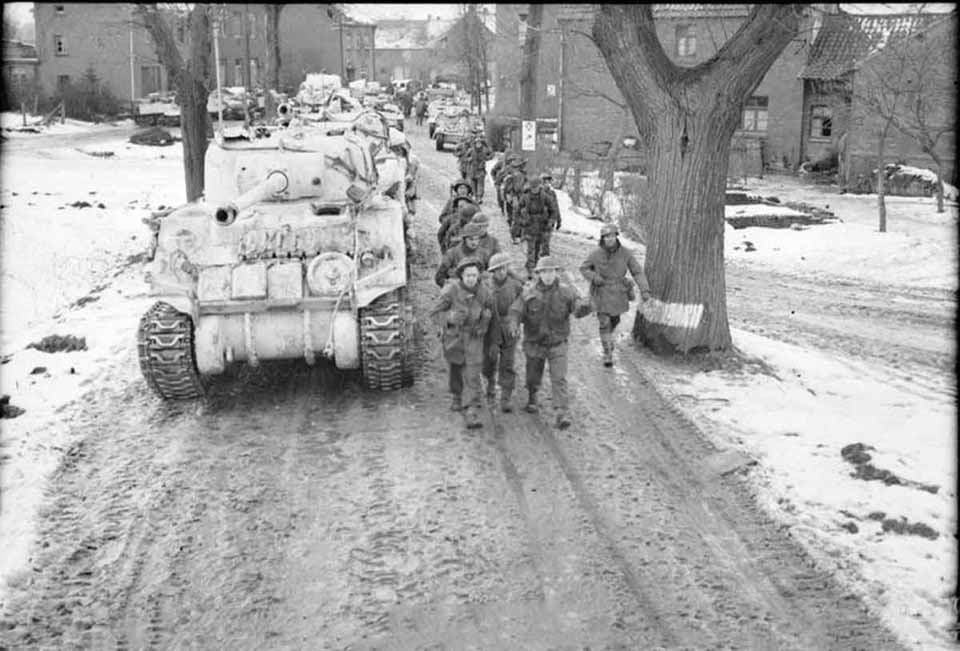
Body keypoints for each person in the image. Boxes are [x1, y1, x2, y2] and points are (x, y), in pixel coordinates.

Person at [507, 256, 592, 429]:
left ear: (556, 272)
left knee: (559, 378)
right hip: (535, 343)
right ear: (538, 274)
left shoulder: (566, 292)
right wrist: (514, 323)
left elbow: (577, 310)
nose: (548, 275)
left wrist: (587, 305)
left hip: (557, 343)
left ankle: (561, 412)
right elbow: (515, 311)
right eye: (544, 271)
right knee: (532, 376)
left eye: (551, 271)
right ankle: (532, 396)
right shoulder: (528, 293)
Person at [429, 256, 497, 429]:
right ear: (461, 276)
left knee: (473, 373)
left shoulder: (485, 292)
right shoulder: (451, 291)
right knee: (456, 369)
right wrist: (450, 317)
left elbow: (492, 313)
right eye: (468, 275)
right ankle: (457, 396)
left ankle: (471, 410)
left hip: (475, 338)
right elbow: (435, 313)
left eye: (474, 275)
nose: (471, 279)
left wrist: (487, 327)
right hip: (455, 338)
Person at [579, 223, 651, 367]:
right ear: (603, 239)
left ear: (616, 236)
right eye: (606, 237)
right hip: (601, 292)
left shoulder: (626, 253)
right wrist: (594, 277)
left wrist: (644, 289)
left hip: (618, 293)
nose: (609, 239)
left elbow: (637, 271)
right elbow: (584, 268)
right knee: (604, 323)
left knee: (615, 321)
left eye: (611, 236)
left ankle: (608, 339)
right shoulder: (595, 254)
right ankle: (607, 353)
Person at [482, 252, 524, 412]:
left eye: (504, 268)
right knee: (488, 362)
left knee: (508, 364)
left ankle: (506, 397)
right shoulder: (485, 286)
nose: (501, 272)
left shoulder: (515, 285)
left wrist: (515, 319)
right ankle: (490, 385)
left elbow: (523, 303)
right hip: (491, 330)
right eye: (497, 269)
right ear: (492, 271)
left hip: (509, 329)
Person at [517, 175, 560, 277]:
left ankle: (536, 265)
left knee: (538, 248)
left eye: (536, 187)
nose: (534, 189)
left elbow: (553, 211)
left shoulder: (545, 197)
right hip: (530, 226)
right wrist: (521, 222)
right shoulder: (525, 197)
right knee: (530, 250)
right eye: (533, 187)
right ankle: (530, 269)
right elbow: (517, 211)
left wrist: (551, 221)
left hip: (542, 226)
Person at [435, 221, 487, 287]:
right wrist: (450, 284)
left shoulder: (483, 253)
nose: (474, 242)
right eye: (471, 239)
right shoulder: (451, 254)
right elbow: (439, 278)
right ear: (464, 239)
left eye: (477, 239)